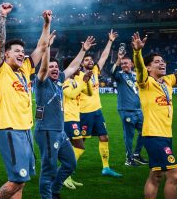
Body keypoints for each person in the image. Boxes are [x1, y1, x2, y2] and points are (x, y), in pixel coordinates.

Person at [0, 5, 53, 199]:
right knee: (17, 179)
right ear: (6, 55)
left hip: (25, 130)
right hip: (9, 129)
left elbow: (42, 45)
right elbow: (0, 42)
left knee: (22, 181)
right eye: (17, 52)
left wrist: (46, 24)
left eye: (23, 51)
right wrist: (2, 17)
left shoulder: (25, 69)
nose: (22, 54)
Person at [131, 32, 177, 199]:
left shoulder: (168, 81)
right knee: (174, 175)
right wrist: (137, 53)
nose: (162, 63)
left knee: (156, 175)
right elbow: (138, 67)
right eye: (157, 61)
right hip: (154, 135)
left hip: (166, 136)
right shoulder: (145, 82)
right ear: (148, 67)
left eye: (163, 61)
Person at [34, 35, 95, 199]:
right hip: (46, 130)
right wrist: (46, 49)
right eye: (51, 67)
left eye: (56, 66)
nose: (54, 69)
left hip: (59, 132)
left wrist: (83, 50)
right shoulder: (42, 82)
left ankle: (54, 191)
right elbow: (43, 67)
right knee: (49, 168)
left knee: (70, 163)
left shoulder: (59, 80)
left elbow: (73, 67)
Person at [79, 29, 122, 177]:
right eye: (86, 60)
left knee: (104, 137)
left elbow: (103, 56)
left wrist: (110, 41)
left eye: (91, 60)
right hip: (84, 113)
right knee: (80, 142)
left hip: (97, 111)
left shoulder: (96, 71)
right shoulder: (78, 76)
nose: (90, 61)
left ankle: (106, 167)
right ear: (81, 64)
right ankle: (68, 169)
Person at [111, 47, 148, 166]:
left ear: (131, 64)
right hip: (126, 110)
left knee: (145, 132)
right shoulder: (120, 76)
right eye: (122, 64)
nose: (124, 65)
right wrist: (118, 59)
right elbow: (112, 72)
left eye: (126, 63)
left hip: (138, 110)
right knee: (129, 136)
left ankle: (136, 154)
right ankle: (129, 158)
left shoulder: (135, 75)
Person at [61, 57, 93, 190]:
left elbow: (89, 93)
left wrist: (87, 80)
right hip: (68, 118)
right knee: (79, 146)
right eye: (77, 66)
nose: (79, 68)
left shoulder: (75, 80)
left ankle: (66, 174)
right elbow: (72, 94)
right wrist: (83, 82)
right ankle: (64, 174)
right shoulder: (65, 81)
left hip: (75, 118)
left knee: (75, 147)